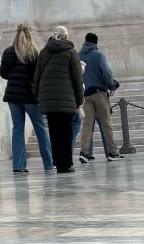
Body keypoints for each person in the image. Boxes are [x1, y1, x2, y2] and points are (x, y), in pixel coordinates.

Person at [0, 22, 53, 174]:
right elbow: (37, 76)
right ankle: (48, 163)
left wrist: (14, 76)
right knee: (40, 128)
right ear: (30, 33)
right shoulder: (34, 52)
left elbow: (3, 73)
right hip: (29, 95)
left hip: (12, 95)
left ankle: (18, 166)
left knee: (17, 129)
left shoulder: (8, 51)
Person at [34, 25, 83, 173]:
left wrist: (39, 96)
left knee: (54, 132)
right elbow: (77, 78)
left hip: (48, 100)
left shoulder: (43, 52)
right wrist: (79, 100)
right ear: (66, 37)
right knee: (66, 132)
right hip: (66, 99)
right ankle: (66, 164)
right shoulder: (71, 52)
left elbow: (37, 77)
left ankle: (57, 162)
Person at [77, 33, 121, 164]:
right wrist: (112, 86)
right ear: (96, 42)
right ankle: (113, 152)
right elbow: (107, 72)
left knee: (87, 124)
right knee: (106, 123)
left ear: (85, 41)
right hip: (99, 93)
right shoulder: (98, 55)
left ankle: (84, 153)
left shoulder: (78, 55)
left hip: (85, 94)